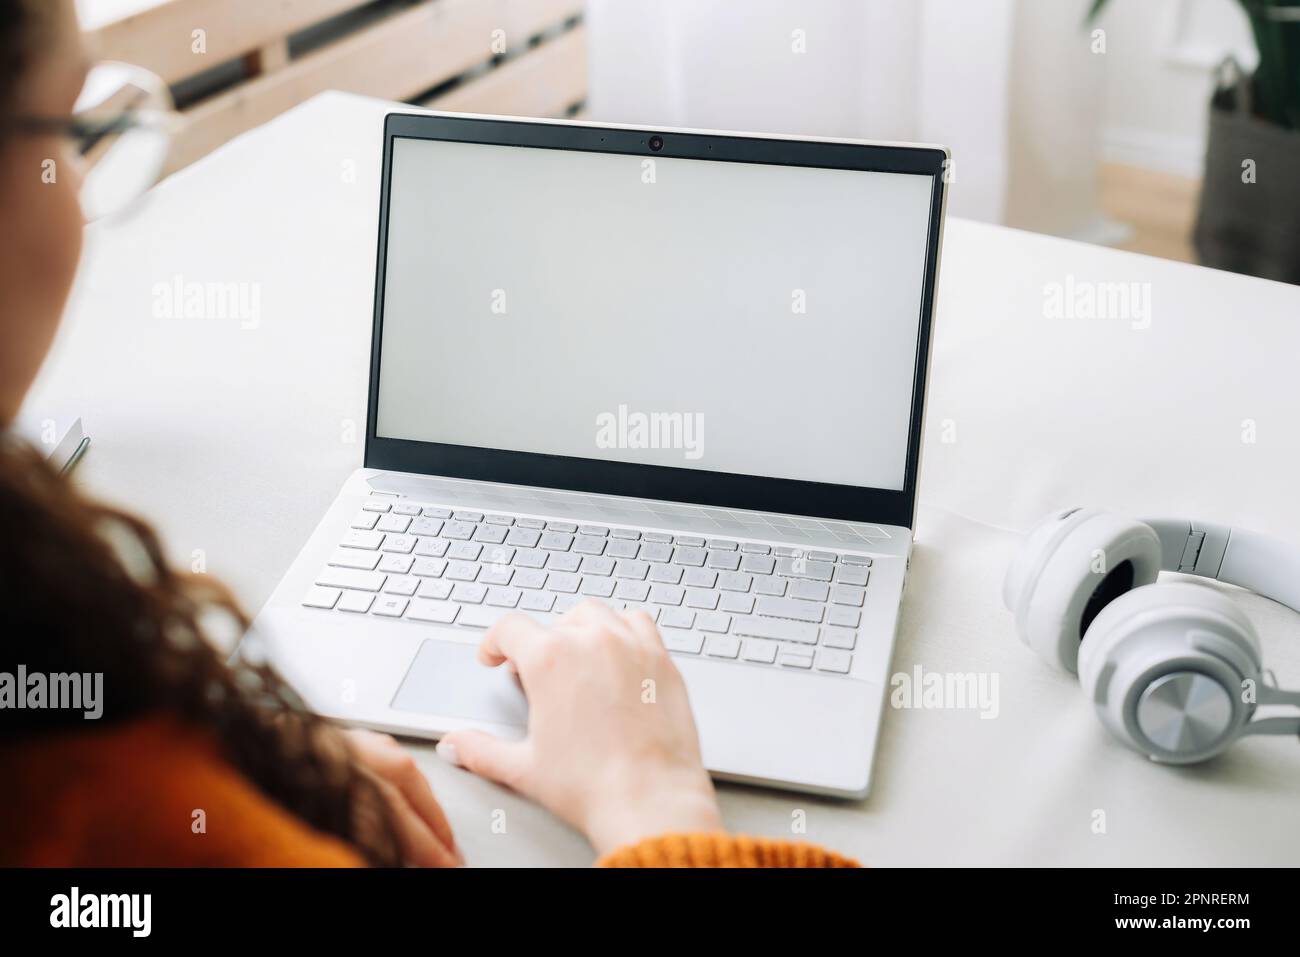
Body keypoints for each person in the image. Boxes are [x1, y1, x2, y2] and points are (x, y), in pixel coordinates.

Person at [0, 0, 855, 869]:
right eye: (69, 135)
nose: (75, 200)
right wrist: (657, 805)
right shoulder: (106, 805)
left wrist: (245, 751)